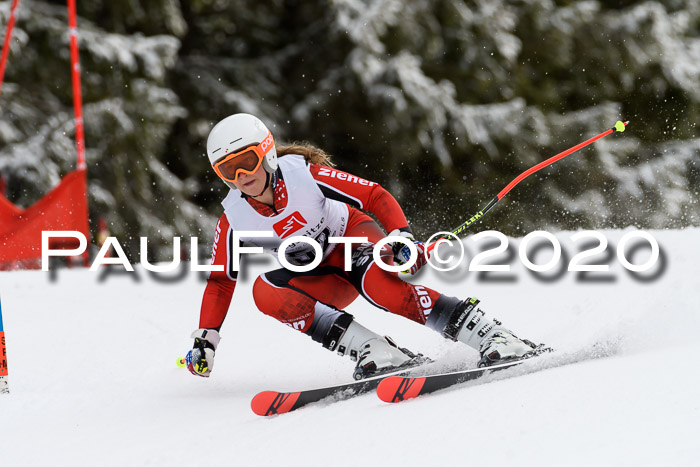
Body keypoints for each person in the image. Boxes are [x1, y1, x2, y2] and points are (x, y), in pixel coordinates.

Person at [185, 113, 543, 380]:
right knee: (265, 291)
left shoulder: (304, 175)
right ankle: (374, 350)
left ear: (265, 153)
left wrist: (400, 235)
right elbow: (220, 281)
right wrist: (207, 337)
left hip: (354, 240)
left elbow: (373, 194)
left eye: (246, 161)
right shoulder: (233, 217)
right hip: (322, 276)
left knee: (381, 288)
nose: (241, 177)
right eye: (227, 170)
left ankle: (491, 335)